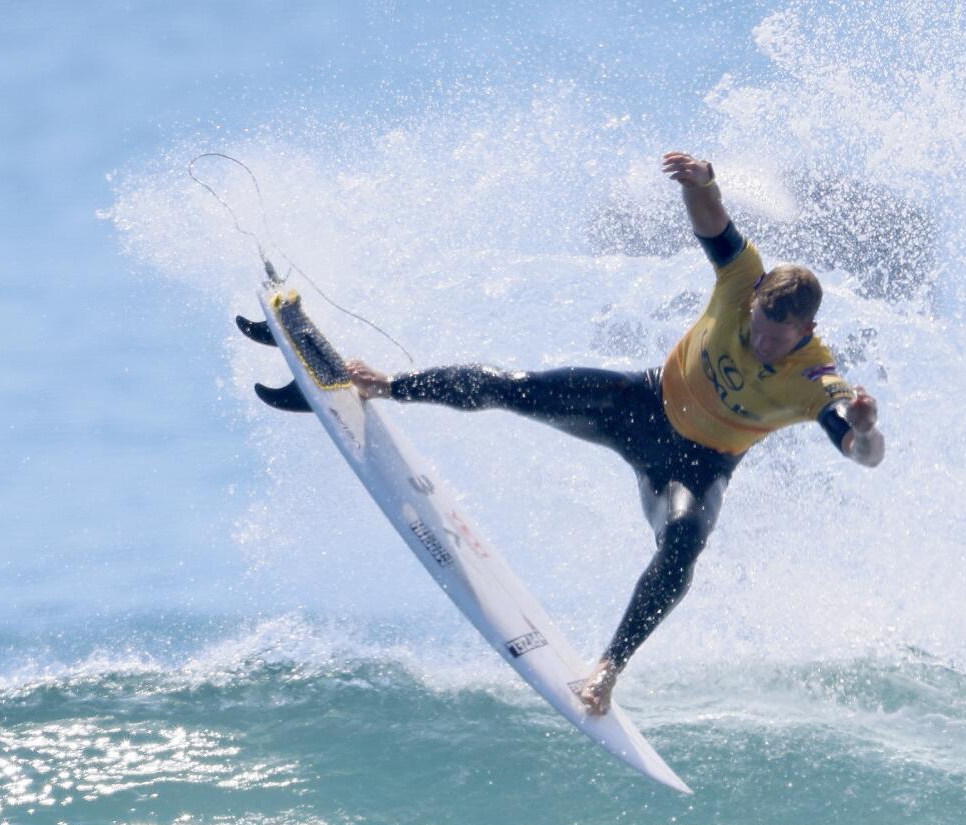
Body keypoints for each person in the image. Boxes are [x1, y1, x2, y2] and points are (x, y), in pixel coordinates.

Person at [345, 151, 885, 715]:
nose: (761, 344)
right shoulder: (742, 280)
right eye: (757, 329)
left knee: (681, 547)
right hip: (642, 405)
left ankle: (607, 669)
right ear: (752, 304)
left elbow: (861, 452)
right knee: (516, 386)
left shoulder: (817, 380)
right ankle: (388, 384)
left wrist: (866, 432)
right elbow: (713, 220)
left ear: (808, 330)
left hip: (697, 467)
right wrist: (702, 182)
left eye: (777, 340)